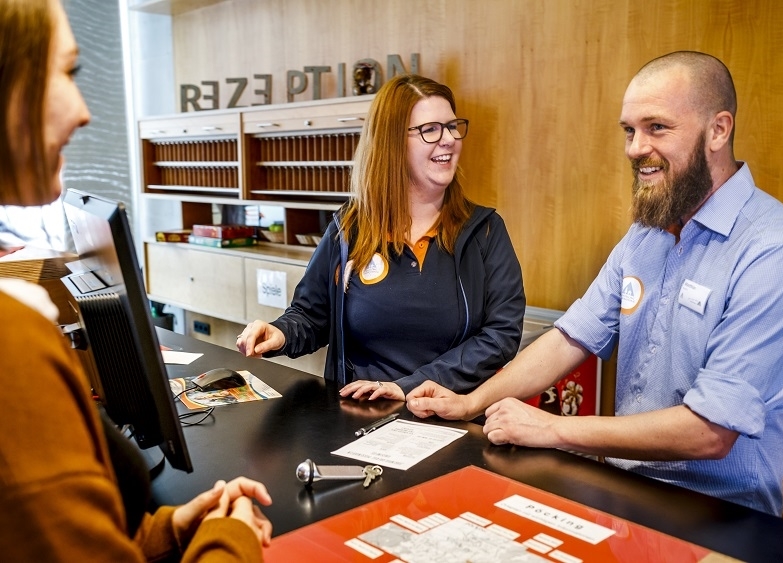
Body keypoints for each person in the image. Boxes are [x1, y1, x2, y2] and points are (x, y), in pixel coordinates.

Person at [407, 51, 783, 516]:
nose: (634, 148)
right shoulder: (646, 235)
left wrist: (552, 429)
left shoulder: (780, 251)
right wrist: (472, 402)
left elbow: (710, 430)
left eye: (657, 128)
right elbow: (571, 337)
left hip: (719, 515)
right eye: (629, 131)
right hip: (622, 493)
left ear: (718, 130)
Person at [0, 1, 272, 560]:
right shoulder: (12, 348)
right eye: (67, 72)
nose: (84, 111)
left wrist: (166, 533)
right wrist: (234, 536)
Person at [237, 74, 525, 401]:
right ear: (392, 143)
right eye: (430, 130)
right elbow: (312, 315)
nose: (448, 139)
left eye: (452, 126)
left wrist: (409, 387)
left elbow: (501, 336)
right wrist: (281, 332)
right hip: (360, 418)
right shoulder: (349, 227)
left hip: (451, 418)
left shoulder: (485, 231)